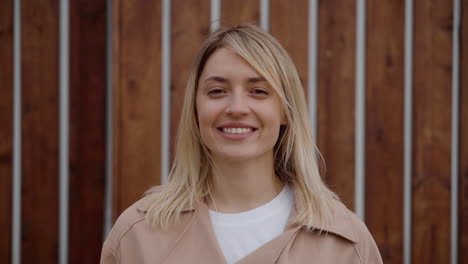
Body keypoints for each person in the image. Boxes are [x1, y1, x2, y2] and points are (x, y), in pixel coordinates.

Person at [100, 24, 383, 264]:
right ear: (196, 110)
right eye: (217, 91)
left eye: (258, 91)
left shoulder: (346, 243)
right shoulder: (137, 235)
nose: (236, 107)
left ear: (285, 110)